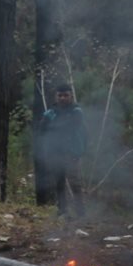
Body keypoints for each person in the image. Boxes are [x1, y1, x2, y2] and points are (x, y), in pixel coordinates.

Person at [40, 83, 86, 218]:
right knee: (59, 183)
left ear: (71, 96)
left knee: (75, 183)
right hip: (55, 152)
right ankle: (62, 211)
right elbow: (42, 129)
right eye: (60, 95)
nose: (63, 98)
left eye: (66, 95)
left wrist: (53, 127)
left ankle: (80, 213)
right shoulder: (50, 112)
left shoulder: (77, 111)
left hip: (72, 152)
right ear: (56, 96)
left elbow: (70, 127)